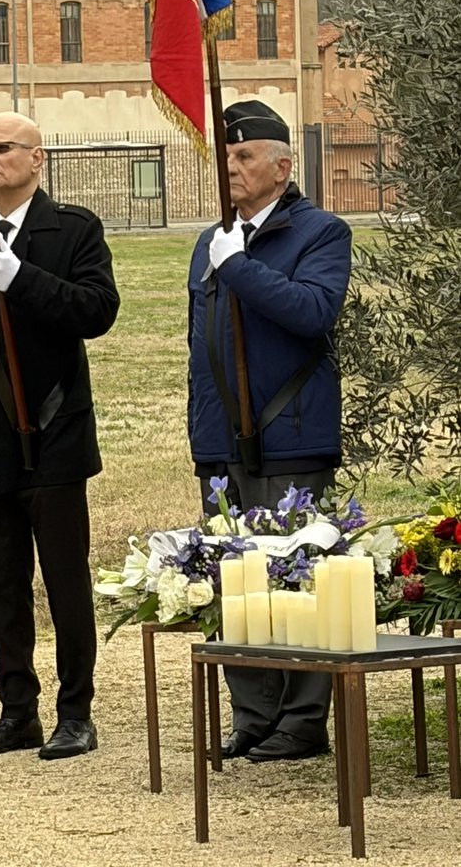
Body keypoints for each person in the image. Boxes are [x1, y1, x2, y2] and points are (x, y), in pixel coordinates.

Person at [0, 112, 120, 761]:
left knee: (65, 583)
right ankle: (17, 712)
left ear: (37, 159)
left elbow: (97, 311)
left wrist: (24, 279)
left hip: (54, 433)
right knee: (3, 585)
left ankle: (76, 713)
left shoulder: (73, 229)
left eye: (3, 146)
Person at [187, 99, 351, 762]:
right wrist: (203, 433)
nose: (231, 166)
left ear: (282, 167)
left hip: (292, 432)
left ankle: (303, 720)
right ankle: (252, 715)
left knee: (298, 577)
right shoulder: (211, 239)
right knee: (237, 580)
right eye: (224, 156)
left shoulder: (320, 232)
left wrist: (240, 267)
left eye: (244, 155)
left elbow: (312, 312)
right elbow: (200, 345)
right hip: (223, 440)